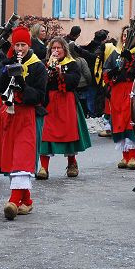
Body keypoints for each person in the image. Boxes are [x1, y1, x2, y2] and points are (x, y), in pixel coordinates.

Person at [0, 26, 48, 220]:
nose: (19, 49)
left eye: (23, 45)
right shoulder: (8, 62)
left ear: (28, 46)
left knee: (22, 157)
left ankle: (13, 201)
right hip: (8, 114)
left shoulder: (38, 67)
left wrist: (23, 85)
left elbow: (40, 97)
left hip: (27, 115)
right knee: (13, 158)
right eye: (17, 45)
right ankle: (27, 201)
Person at [38, 37, 91, 179]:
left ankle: (72, 163)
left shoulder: (72, 64)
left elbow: (74, 82)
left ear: (64, 50)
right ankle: (43, 167)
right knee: (46, 133)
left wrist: (61, 74)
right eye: (53, 48)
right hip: (49, 102)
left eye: (58, 48)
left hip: (66, 101)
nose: (55, 51)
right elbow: (40, 82)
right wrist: (48, 71)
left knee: (69, 132)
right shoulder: (44, 64)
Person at [103, 25, 135, 169]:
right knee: (119, 121)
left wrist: (132, 59)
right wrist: (113, 71)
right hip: (118, 90)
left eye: (129, 35)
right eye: (124, 35)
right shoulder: (116, 52)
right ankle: (124, 157)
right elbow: (107, 69)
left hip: (132, 88)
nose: (126, 38)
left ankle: (133, 156)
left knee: (130, 120)